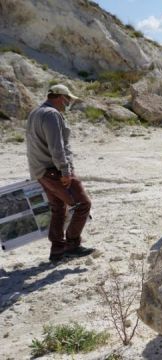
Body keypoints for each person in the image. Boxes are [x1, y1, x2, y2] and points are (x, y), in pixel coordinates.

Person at [25, 84, 94, 262]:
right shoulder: (52, 114)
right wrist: (65, 171)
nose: (68, 103)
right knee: (83, 204)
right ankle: (73, 245)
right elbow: (57, 147)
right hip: (54, 171)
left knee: (58, 209)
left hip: (40, 171)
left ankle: (57, 251)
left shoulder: (35, 112)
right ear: (59, 97)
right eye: (68, 99)